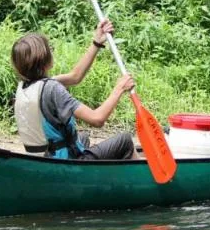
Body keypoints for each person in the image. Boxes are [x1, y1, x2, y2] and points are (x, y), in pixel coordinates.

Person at [10, 18, 135, 160]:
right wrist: (119, 89)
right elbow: (97, 119)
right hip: (64, 164)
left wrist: (97, 43)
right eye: (50, 49)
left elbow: (75, 77)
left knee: (82, 138)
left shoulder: (27, 86)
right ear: (44, 59)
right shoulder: (52, 88)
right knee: (125, 141)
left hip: (43, 158)